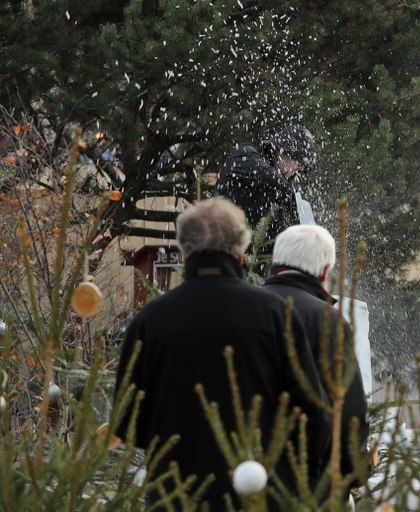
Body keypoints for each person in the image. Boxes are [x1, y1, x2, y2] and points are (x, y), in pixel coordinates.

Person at [113, 198, 330, 509]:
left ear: (185, 254)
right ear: (241, 253)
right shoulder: (276, 315)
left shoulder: (150, 320)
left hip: (177, 494)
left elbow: (126, 420)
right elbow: (313, 412)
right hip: (263, 493)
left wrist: (173, 446)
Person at [264, 224, 370, 483]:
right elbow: (347, 406)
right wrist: (354, 471)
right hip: (306, 477)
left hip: (244, 469)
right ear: (324, 271)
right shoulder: (328, 322)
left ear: (276, 260)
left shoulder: (244, 309)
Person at [216, 124, 316, 244]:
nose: (300, 168)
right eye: (299, 162)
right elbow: (271, 178)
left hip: (249, 251)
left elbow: (276, 233)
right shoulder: (244, 155)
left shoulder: (277, 186)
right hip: (219, 243)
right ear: (283, 151)